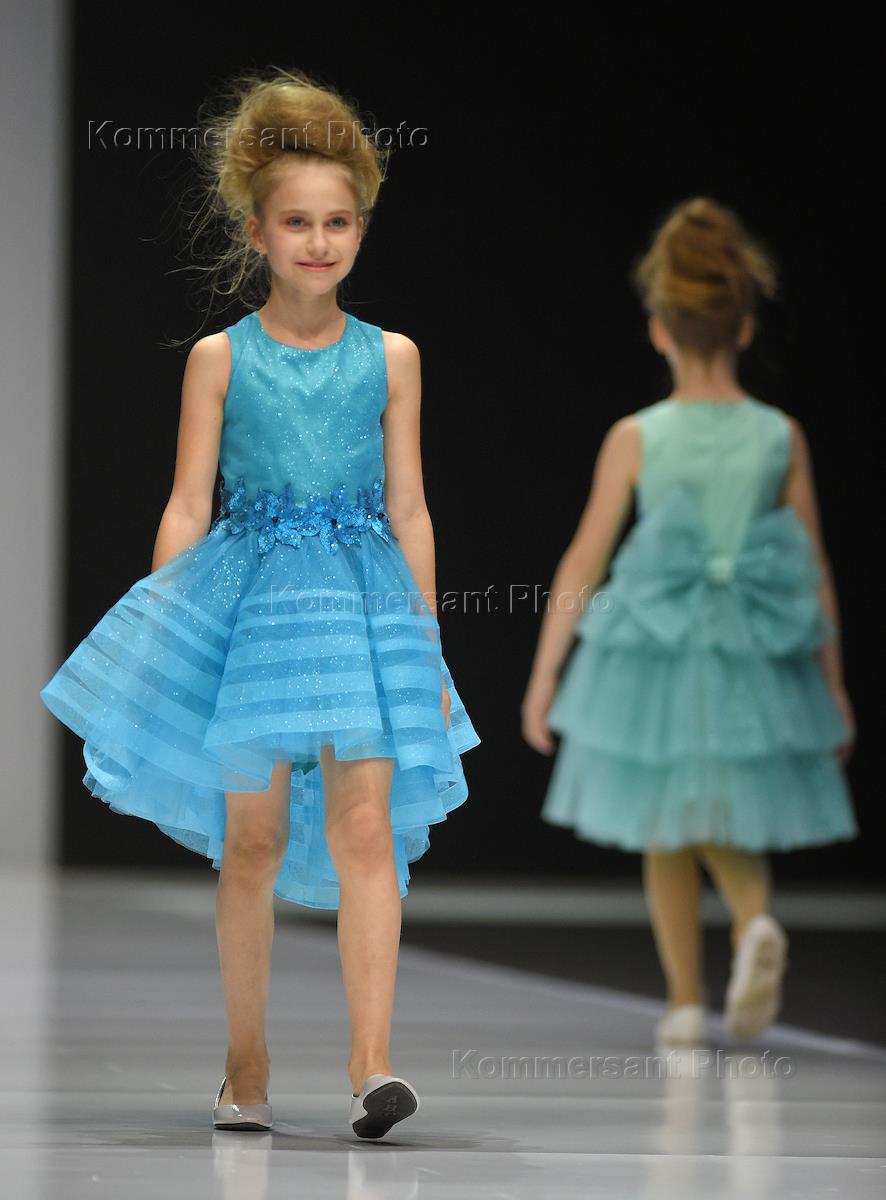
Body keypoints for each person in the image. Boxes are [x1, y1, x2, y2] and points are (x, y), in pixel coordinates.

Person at [39, 66, 480, 1137]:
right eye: (297, 222)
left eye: (338, 222)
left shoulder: (393, 357)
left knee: (366, 827)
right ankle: (246, 1060)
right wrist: (161, 635)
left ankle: (372, 1064)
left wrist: (425, 647)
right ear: (256, 232)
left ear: (360, 230)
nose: (319, 242)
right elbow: (188, 506)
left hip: (363, 609)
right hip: (249, 610)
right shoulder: (218, 359)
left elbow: (411, 508)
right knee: (253, 841)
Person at [521, 196, 857, 1049]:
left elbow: (583, 561)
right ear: (744, 326)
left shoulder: (637, 435)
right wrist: (832, 687)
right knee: (725, 809)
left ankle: (682, 1000)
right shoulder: (780, 435)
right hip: (756, 647)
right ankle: (753, 922)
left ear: (659, 330)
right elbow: (813, 567)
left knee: (663, 821)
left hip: (657, 651)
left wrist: (546, 675)